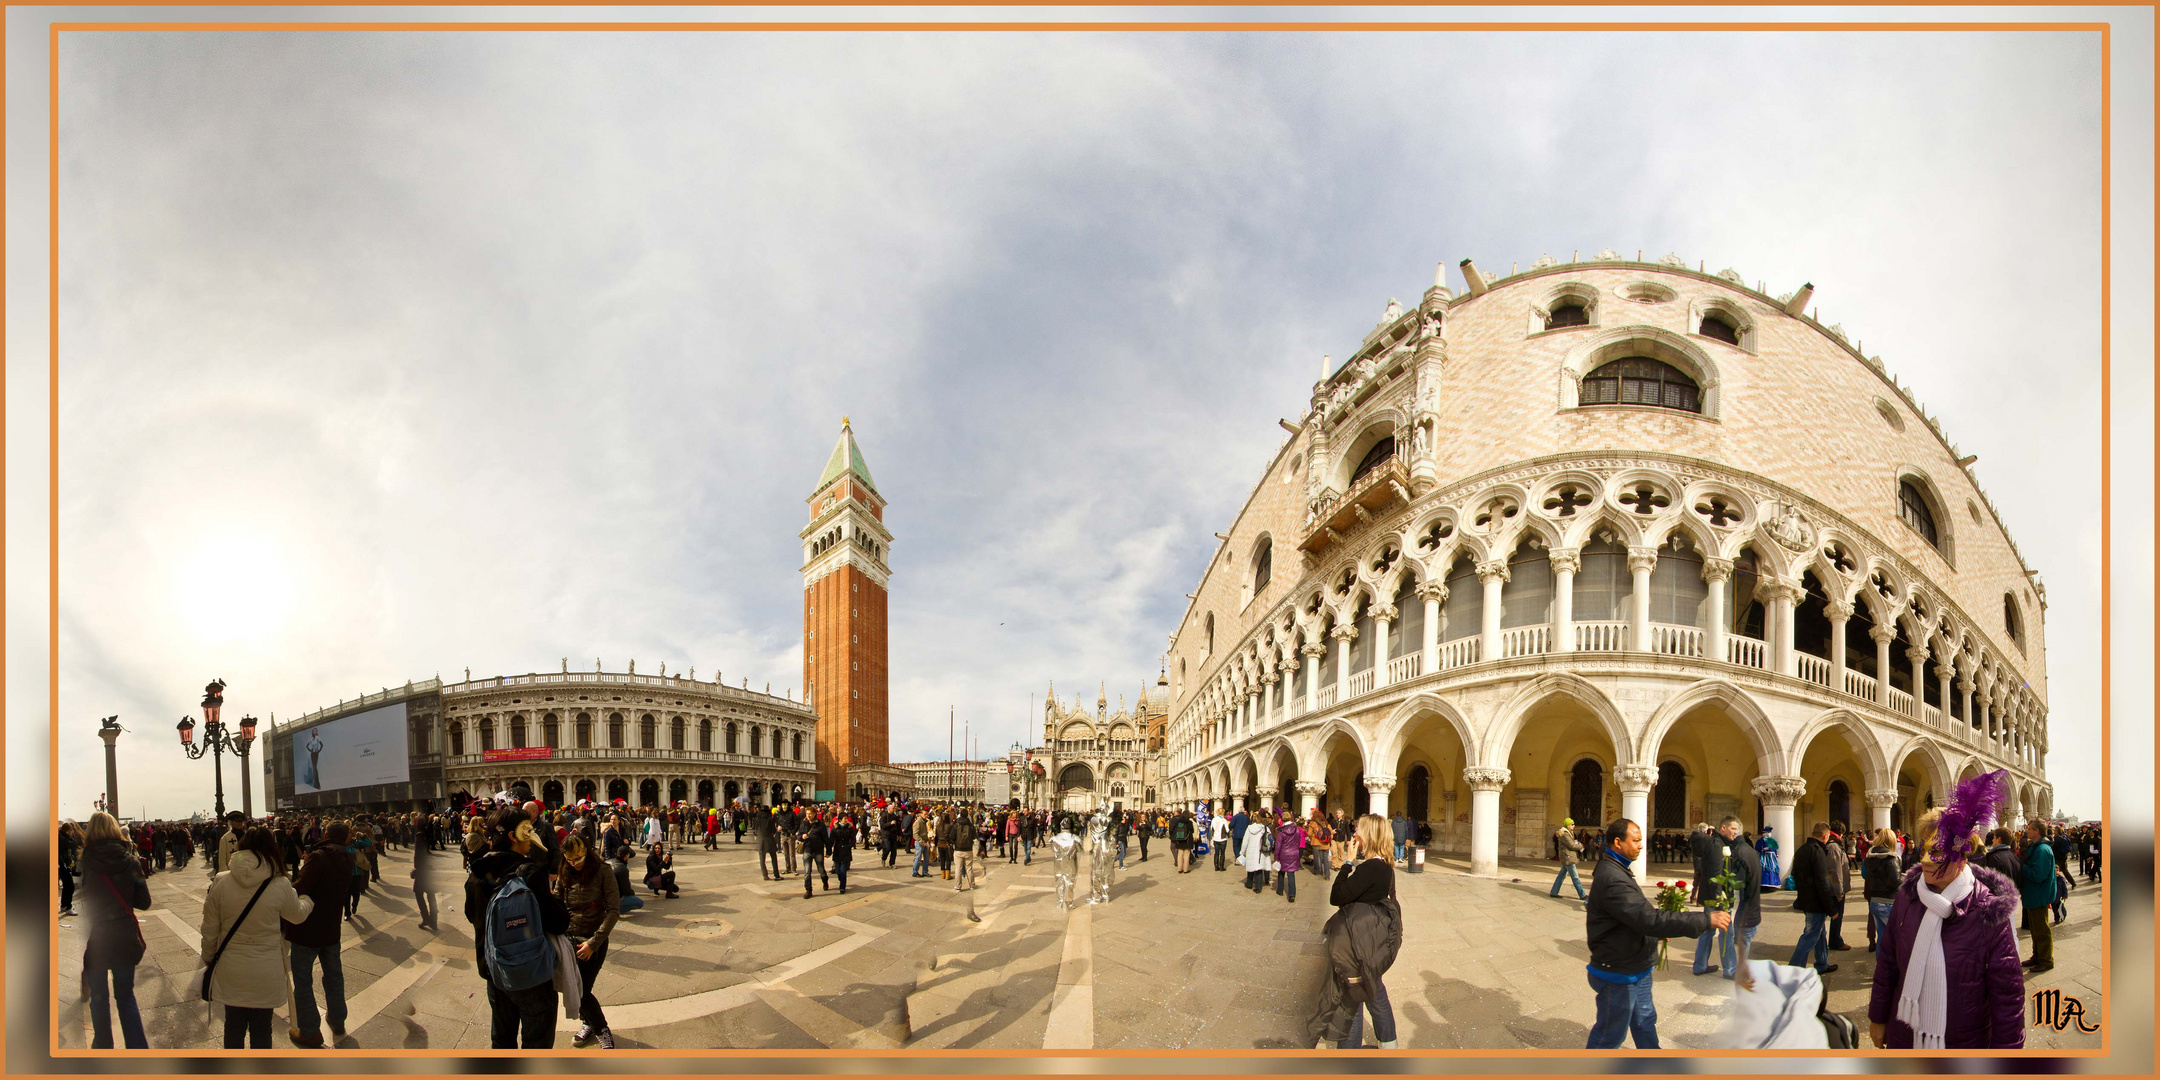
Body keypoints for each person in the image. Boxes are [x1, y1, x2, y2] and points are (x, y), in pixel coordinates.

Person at [1866, 782, 2024, 1049]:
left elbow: (2007, 996)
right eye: (1924, 849)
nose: (1926, 859)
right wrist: (1878, 1018)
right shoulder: (1907, 897)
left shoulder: (1989, 911)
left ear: (1962, 856)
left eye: (1937, 852)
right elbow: (1888, 963)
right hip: (1905, 1037)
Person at [1583, 818, 1728, 1049]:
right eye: (1637, 840)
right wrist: (1704, 919)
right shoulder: (1613, 878)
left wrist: (1658, 932)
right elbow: (1648, 919)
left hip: (1635, 965)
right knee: (1610, 1035)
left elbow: (1634, 916)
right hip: (1618, 972)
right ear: (1618, 843)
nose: (1641, 845)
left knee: (1644, 1021)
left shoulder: (1619, 869)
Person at [200, 828, 315, 1049]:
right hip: (266, 967)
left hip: (231, 967)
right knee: (262, 1029)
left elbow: (210, 927)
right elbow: (298, 916)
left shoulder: (221, 881)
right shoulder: (279, 882)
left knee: (233, 1026)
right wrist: (308, 899)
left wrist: (208, 956)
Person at [464, 810, 566, 1049]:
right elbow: (559, 923)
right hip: (531, 976)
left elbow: (472, 915)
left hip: (495, 973)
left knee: (502, 1039)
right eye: (527, 831)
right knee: (536, 1043)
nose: (531, 837)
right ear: (512, 835)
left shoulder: (477, 873)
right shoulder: (528, 873)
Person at [1308, 814, 1402, 1049]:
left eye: (1358, 830)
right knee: (1376, 993)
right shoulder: (1385, 866)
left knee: (1352, 1001)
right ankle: (1389, 1047)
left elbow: (1336, 897)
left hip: (1357, 943)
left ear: (1367, 836)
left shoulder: (1369, 868)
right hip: (1371, 942)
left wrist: (1347, 863)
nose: (1354, 834)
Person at [77, 813, 150, 1048]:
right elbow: (145, 902)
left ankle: (104, 1047)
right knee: (125, 996)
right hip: (124, 936)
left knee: (99, 999)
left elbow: (87, 898)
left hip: (99, 937)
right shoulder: (131, 861)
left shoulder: (86, 862)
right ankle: (137, 1048)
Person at [284, 821, 354, 1048]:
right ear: (346, 838)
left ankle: (310, 1030)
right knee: (334, 975)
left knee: (303, 979)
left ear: (325, 834)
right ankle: (337, 1019)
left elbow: (300, 888)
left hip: (307, 929)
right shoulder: (347, 857)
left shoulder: (318, 856)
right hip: (331, 928)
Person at [555, 834, 620, 1050]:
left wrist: (594, 942)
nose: (576, 865)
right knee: (576, 988)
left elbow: (613, 910)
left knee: (581, 991)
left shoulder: (603, 871)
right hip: (569, 940)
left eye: (579, 860)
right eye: (571, 861)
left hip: (594, 940)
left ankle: (601, 1028)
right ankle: (588, 1023)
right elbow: (557, 901)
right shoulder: (565, 870)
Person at [1691, 818, 1761, 979]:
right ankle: (1730, 970)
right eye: (1733, 828)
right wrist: (1721, 902)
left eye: (1737, 829)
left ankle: (1699, 965)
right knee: (1726, 934)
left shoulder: (1718, 843)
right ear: (1723, 828)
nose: (1735, 832)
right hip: (1718, 899)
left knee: (1708, 931)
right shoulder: (1718, 846)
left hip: (1711, 897)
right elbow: (1716, 875)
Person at [1786, 822, 1841, 975]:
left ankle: (1822, 963)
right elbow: (1823, 882)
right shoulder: (1818, 852)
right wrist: (1831, 909)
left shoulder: (1801, 850)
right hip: (1816, 903)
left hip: (1805, 899)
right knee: (1810, 936)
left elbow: (1795, 875)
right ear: (1825, 836)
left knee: (1820, 932)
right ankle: (1793, 970)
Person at [2017, 819, 2057, 973]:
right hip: (2034, 894)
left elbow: (2038, 874)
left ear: (2037, 831)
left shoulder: (2042, 850)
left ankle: (2046, 960)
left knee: (2041, 930)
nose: (2027, 830)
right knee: (2035, 929)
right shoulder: (2038, 848)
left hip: (2038, 894)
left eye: (2029, 828)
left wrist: (2022, 867)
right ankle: (2037, 956)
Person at [1862, 828, 1903, 954]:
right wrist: (1905, 878)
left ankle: (1881, 966)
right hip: (1888, 901)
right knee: (1896, 938)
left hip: (1875, 900)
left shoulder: (1870, 857)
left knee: (1882, 936)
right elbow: (1895, 881)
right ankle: (1893, 967)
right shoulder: (1891, 858)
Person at [1826, 822, 1854, 950]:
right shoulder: (1833, 846)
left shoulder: (1834, 844)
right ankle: (1835, 940)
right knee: (1837, 915)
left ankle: (1833, 939)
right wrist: (1839, 891)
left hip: (1833, 888)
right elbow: (1835, 870)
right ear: (1841, 833)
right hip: (1834, 890)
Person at [1274, 810, 1306, 903]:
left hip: (1284, 853)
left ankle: (1280, 890)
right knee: (1291, 874)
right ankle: (1292, 894)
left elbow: (1278, 846)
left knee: (1281, 872)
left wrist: (1276, 858)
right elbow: (1298, 840)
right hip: (1294, 852)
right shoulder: (1296, 829)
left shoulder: (1282, 832)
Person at [1551, 818, 1586, 901]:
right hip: (1568, 857)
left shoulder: (1569, 833)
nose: (1574, 826)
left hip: (1567, 857)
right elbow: (1572, 845)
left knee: (1561, 875)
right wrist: (1580, 846)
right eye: (1572, 824)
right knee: (1575, 877)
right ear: (1568, 825)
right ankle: (1582, 895)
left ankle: (1554, 892)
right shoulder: (1565, 834)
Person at [1238, 807, 1270, 893]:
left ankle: (1249, 883)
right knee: (1259, 868)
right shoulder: (1265, 828)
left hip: (1251, 850)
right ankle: (1258, 887)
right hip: (1261, 850)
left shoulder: (1249, 828)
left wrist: (1242, 852)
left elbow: (1245, 841)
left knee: (1251, 867)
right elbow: (1269, 839)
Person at [801, 814, 831, 899]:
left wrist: (829, 851)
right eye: (806, 814)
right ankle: (808, 890)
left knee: (821, 869)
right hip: (807, 850)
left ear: (814, 814)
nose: (808, 815)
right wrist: (801, 836)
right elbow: (799, 835)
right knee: (807, 872)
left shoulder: (820, 824)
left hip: (818, 850)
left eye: (810, 813)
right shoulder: (804, 823)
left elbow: (825, 838)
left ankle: (825, 880)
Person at [608, 846, 644, 916]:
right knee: (639, 903)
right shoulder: (622, 868)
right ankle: (614, 910)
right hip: (613, 898)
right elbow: (627, 890)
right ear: (626, 855)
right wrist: (632, 893)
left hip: (604, 896)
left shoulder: (608, 862)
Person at [829, 814, 856, 895]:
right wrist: (828, 850)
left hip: (846, 850)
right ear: (840, 820)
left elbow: (853, 839)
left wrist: (850, 845)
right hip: (837, 850)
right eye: (845, 818)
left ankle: (842, 887)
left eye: (847, 818)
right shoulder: (835, 828)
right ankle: (841, 879)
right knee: (837, 870)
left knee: (843, 870)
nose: (846, 820)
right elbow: (831, 840)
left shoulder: (849, 828)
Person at [1755, 826, 1781, 891]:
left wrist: (1775, 853)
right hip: (1764, 856)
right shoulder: (1761, 840)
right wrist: (1763, 849)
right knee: (1763, 868)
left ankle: (1772, 884)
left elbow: (1775, 848)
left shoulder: (1772, 840)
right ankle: (1763, 885)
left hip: (1772, 857)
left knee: (1773, 869)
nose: (1769, 834)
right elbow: (1757, 847)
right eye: (1767, 832)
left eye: (1769, 832)